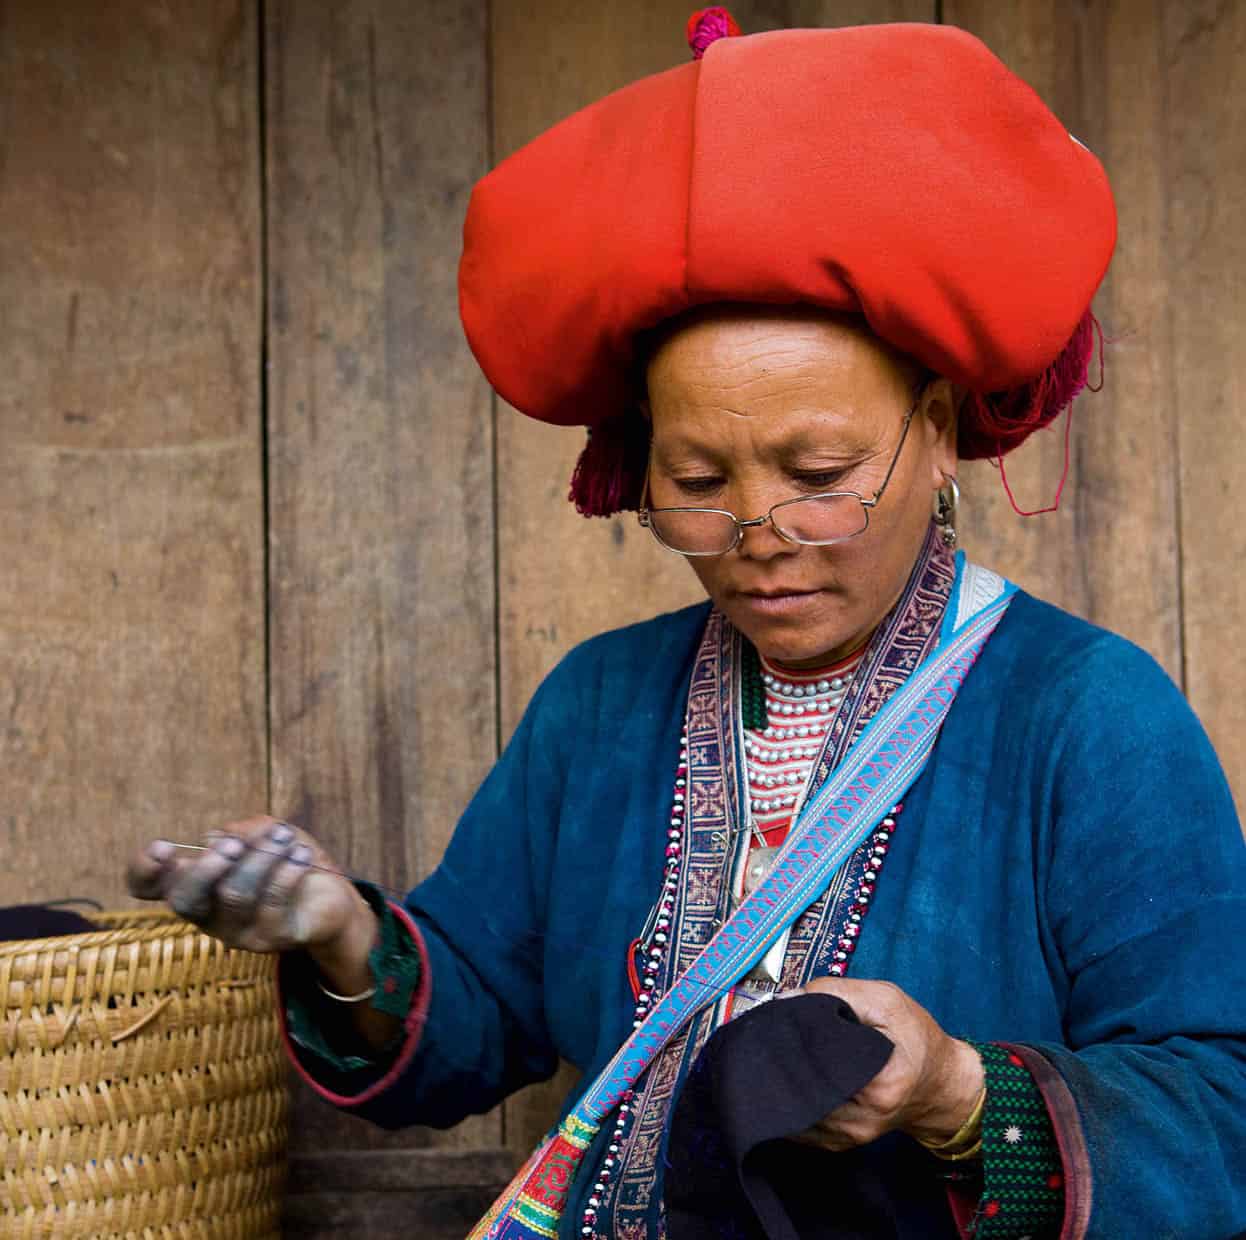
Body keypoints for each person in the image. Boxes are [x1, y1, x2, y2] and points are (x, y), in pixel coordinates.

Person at [127, 13, 1246, 1240]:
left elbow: (1221, 1114)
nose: (758, 526)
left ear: (933, 432)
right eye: (699, 480)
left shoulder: (1088, 715)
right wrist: (343, 935)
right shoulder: (600, 705)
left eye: (817, 468)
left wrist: (953, 1089)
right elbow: (473, 1019)